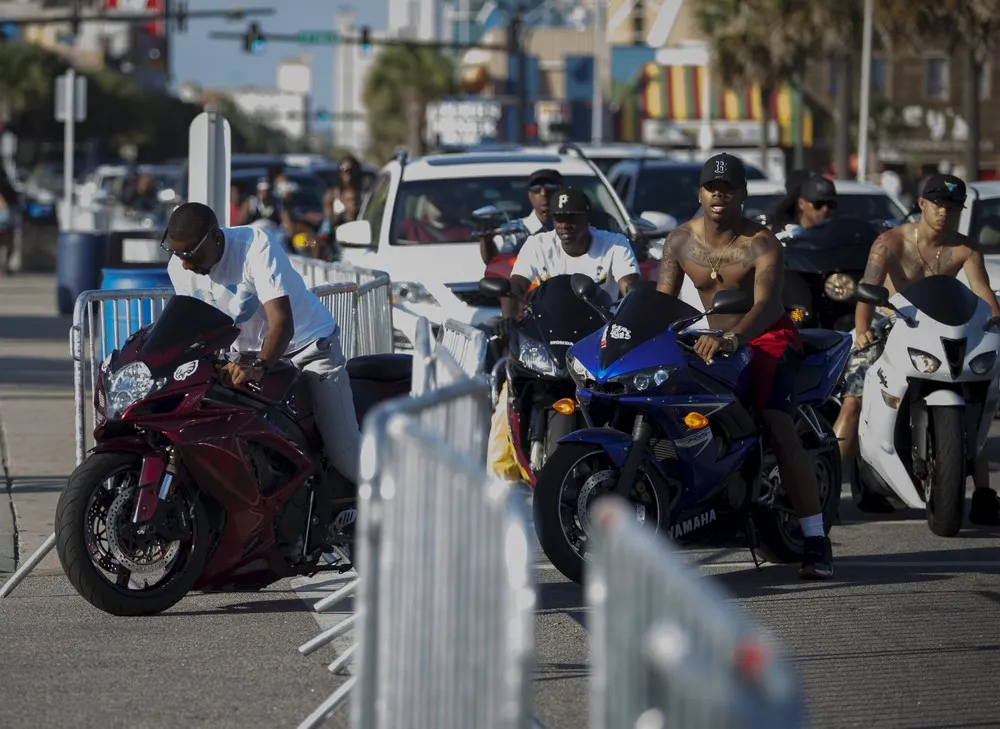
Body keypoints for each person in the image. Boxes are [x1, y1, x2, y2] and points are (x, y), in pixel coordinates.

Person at [655, 153, 833, 580]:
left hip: (765, 338)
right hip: (708, 341)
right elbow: (662, 301)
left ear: (743, 194)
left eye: (729, 188)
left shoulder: (761, 243)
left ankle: (815, 539)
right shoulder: (679, 241)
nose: (720, 194)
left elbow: (769, 304)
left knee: (776, 422)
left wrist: (733, 338)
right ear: (700, 192)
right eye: (712, 187)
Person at [160, 202, 363, 494]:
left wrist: (258, 366)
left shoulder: (255, 245)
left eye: (190, 254)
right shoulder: (179, 267)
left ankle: (399, 512)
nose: (185, 264)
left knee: (345, 456)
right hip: (241, 359)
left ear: (217, 238)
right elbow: (193, 324)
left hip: (306, 350)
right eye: (176, 253)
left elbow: (281, 322)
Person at [833, 173, 1000, 523]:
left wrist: (994, 320)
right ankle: (827, 489)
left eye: (953, 207)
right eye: (939, 204)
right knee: (854, 397)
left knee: (975, 390)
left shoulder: (966, 248)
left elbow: (982, 292)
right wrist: (862, 329)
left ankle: (984, 492)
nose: (945, 213)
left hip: (938, 326)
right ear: (923, 203)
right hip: (890, 321)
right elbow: (868, 289)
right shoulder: (889, 243)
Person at [509, 187, 640, 304]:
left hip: (602, 326)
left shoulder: (615, 244)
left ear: (587, 217)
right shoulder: (536, 245)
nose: (564, 225)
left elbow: (630, 287)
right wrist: (508, 320)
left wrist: (635, 301)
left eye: (571, 217)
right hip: (550, 327)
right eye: (558, 218)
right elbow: (516, 289)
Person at [479, 168, 563, 266]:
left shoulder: (576, 227)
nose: (543, 193)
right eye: (536, 188)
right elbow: (497, 264)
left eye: (550, 187)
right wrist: (486, 241)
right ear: (529, 195)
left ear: (561, 192)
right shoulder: (515, 230)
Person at [771, 174, 838, 241]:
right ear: (801, 203)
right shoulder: (784, 238)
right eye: (818, 204)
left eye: (830, 204)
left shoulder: (840, 238)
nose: (825, 209)